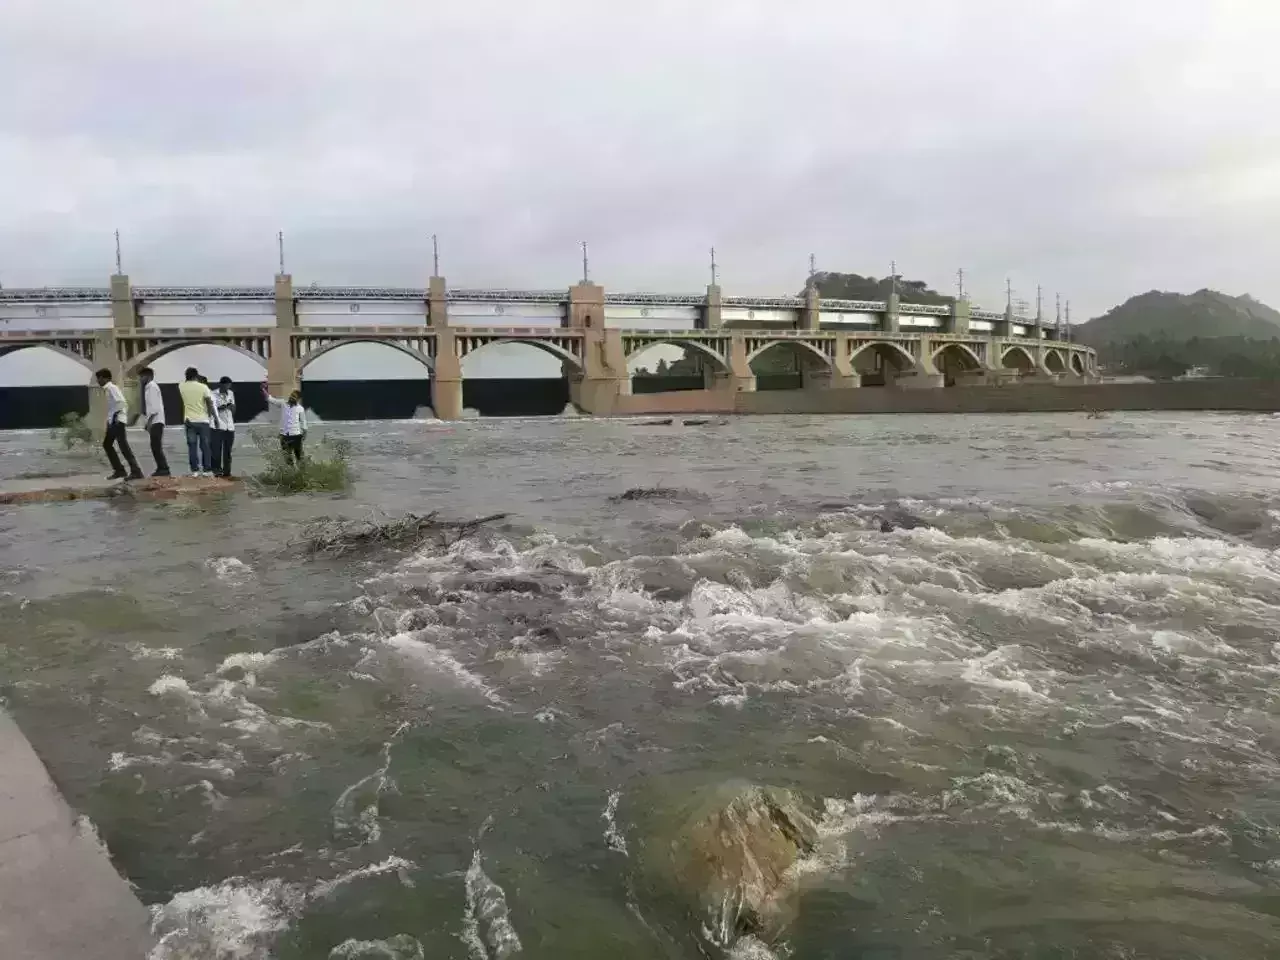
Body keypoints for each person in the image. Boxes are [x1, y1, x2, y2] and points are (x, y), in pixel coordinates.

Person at [94, 368, 144, 481]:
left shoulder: (112, 388)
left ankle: (135, 471)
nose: (98, 381)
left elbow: (121, 402)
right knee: (108, 444)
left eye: (99, 378)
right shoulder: (108, 389)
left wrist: (115, 418)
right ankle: (120, 470)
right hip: (113, 421)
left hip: (117, 422)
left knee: (123, 447)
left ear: (105, 378)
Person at [178, 366, 216, 477]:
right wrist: (209, 416)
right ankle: (206, 470)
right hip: (203, 420)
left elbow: (183, 385)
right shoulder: (203, 387)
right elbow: (209, 402)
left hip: (189, 421)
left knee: (192, 446)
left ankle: (194, 470)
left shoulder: (181, 386)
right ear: (196, 376)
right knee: (205, 446)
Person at [262, 382, 307, 465]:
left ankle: (301, 474)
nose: (292, 397)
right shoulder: (283, 403)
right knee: (287, 457)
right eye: (291, 395)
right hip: (284, 436)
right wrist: (263, 389)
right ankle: (291, 473)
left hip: (296, 435)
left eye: (294, 397)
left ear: (298, 399)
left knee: (299, 457)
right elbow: (270, 399)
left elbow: (303, 421)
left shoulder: (300, 409)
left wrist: (304, 432)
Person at [136, 367, 170, 477]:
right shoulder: (149, 387)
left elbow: (154, 408)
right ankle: (162, 468)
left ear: (148, 376)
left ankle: (163, 468)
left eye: (142, 377)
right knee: (155, 445)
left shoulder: (151, 387)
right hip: (156, 420)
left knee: (156, 446)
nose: (140, 379)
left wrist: (148, 423)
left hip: (156, 421)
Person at [210, 377, 237, 478]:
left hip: (229, 426)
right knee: (216, 450)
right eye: (226, 385)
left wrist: (232, 407)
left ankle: (227, 471)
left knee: (228, 451)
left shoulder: (230, 393)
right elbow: (212, 409)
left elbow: (233, 410)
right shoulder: (213, 394)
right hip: (218, 426)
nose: (228, 387)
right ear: (221, 384)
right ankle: (216, 470)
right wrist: (224, 406)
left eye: (229, 385)